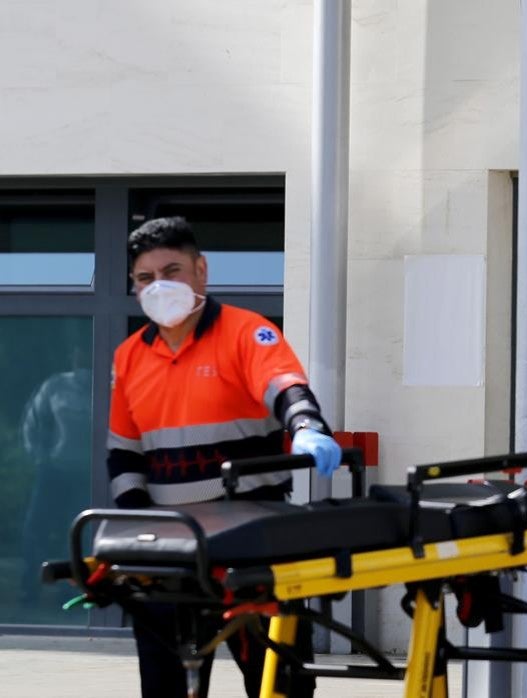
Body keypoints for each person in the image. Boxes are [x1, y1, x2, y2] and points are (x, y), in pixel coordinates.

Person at [107, 216, 342, 698]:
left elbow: (284, 385)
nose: (159, 286)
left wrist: (306, 426)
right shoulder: (129, 356)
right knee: (166, 684)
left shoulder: (245, 332)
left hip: (252, 544)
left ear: (200, 270)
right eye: (145, 279)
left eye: (171, 271)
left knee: (280, 685)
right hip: (174, 553)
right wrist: (137, 532)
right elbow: (124, 453)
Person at [19, 345, 92, 605]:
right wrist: (40, 458)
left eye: (87, 355)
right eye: (78, 353)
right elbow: (33, 423)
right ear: (72, 356)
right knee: (34, 530)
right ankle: (30, 587)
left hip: (87, 476)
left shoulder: (106, 389)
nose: (81, 358)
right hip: (54, 472)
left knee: (76, 534)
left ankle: (71, 591)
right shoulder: (56, 386)